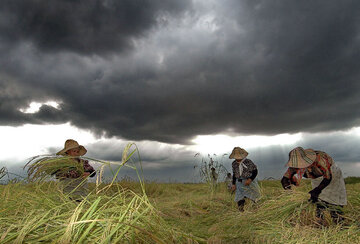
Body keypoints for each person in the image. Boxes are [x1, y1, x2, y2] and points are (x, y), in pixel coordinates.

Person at [281, 147, 347, 223]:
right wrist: (290, 193)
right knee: (319, 200)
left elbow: (328, 178)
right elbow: (284, 180)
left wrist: (316, 190)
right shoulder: (295, 166)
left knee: (334, 201)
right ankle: (320, 221)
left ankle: (338, 220)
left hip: (331, 175)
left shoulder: (320, 159)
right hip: (317, 178)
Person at [230, 147, 260, 211]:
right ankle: (241, 212)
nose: (237, 159)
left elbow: (255, 171)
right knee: (240, 198)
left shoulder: (248, 162)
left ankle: (256, 210)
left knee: (253, 196)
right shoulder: (234, 164)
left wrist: (250, 179)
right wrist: (233, 184)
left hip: (249, 182)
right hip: (239, 183)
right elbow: (234, 174)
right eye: (236, 157)